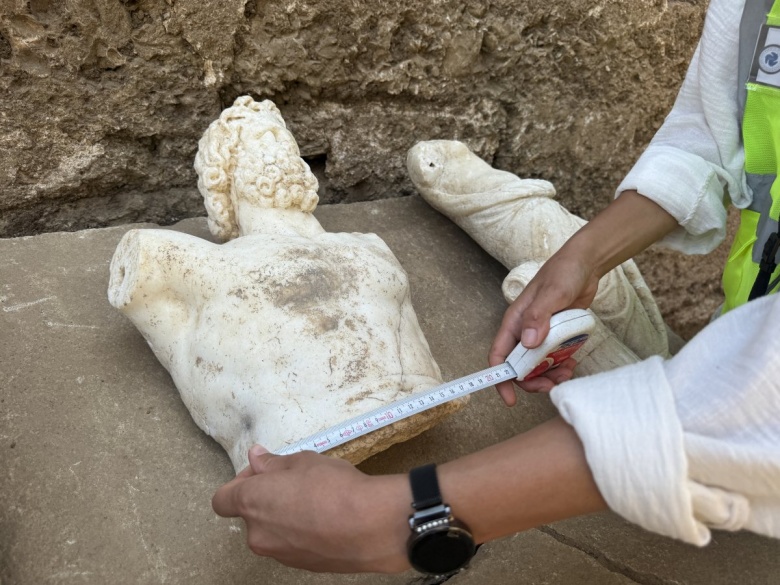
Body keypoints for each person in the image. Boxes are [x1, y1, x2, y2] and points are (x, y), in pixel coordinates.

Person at [212, 0, 780, 573]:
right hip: (741, 329)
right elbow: (711, 132)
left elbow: (759, 405)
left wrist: (406, 513)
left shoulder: (360, 249)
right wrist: (582, 255)